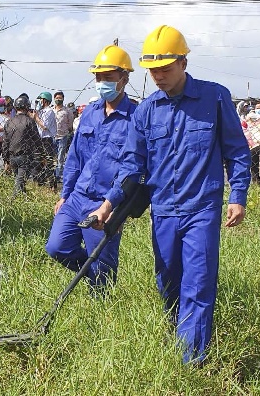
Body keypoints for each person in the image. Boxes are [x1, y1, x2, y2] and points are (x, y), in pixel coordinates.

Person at [89, 25, 251, 365]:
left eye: (165, 68)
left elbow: (236, 150)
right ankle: (179, 337)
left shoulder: (215, 97)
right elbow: (132, 165)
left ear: (183, 62)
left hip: (201, 209)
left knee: (199, 283)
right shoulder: (147, 111)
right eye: (153, 70)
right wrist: (109, 205)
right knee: (168, 282)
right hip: (163, 211)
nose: (158, 75)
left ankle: (191, 362)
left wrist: (238, 194)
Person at [45, 45, 137, 292]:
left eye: (108, 77)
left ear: (124, 79)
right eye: (98, 77)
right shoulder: (90, 113)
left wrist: (112, 208)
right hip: (78, 197)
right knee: (56, 247)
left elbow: (132, 169)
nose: (101, 82)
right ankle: (89, 270)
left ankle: (102, 312)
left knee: (103, 273)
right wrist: (65, 194)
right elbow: (75, 157)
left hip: (105, 202)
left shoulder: (135, 117)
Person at [3, 94, 41, 197]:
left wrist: (6, 159)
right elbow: (37, 139)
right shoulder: (29, 121)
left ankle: (23, 199)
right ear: (27, 107)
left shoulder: (9, 122)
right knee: (20, 181)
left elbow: (5, 142)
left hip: (12, 156)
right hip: (25, 156)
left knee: (20, 180)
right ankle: (12, 201)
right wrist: (42, 155)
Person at [31, 91, 57, 184]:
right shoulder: (40, 112)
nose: (39, 102)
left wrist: (36, 118)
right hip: (39, 139)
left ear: (45, 101)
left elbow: (44, 126)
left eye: (40, 100)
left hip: (47, 140)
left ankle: (52, 184)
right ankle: (39, 183)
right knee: (38, 162)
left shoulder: (49, 112)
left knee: (48, 162)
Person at [53, 91, 75, 185]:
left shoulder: (67, 111)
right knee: (52, 157)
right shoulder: (51, 110)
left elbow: (70, 125)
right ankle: (52, 175)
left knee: (60, 157)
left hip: (63, 137)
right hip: (52, 136)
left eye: (60, 98)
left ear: (63, 99)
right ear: (54, 99)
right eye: (57, 98)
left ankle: (57, 176)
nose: (58, 99)